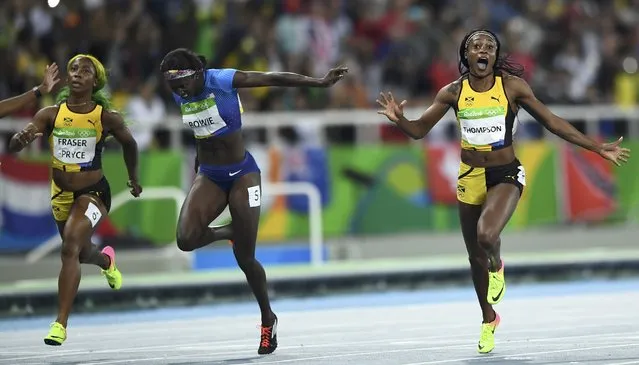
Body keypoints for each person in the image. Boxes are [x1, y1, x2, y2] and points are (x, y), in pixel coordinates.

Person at [376, 29, 631, 354]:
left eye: (489, 46)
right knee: (473, 257)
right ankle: (488, 319)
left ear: (495, 56)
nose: (483, 50)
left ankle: (497, 265)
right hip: (470, 175)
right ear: (466, 55)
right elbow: (418, 131)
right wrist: (399, 120)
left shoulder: (511, 86)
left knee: (486, 236)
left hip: (505, 173)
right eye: (476, 46)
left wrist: (596, 147)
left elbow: (552, 122)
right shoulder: (452, 92)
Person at [159, 48, 347, 355]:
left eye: (181, 81)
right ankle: (228, 231)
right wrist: (198, 167)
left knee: (246, 259)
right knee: (185, 239)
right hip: (209, 175)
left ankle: (267, 318)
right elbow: (202, 133)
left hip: (243, 174)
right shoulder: (180, 93)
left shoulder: (220, 79)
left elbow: (272, 78)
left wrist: (319, 83)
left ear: (196, 74)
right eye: (170, 83)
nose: (177, 89)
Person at [8, 54, 143, 346]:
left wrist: (133, 178)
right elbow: (15, 143)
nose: (78, 73)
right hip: (60, 194)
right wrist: (20, 140)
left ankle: (60, 324)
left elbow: (130, 144)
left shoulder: (105, 117)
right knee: (80, 253)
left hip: (94, 193)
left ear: (96, 81)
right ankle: (106, 260)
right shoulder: (50, 114)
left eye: (85, 70)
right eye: (73, 69)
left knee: (69, 246)